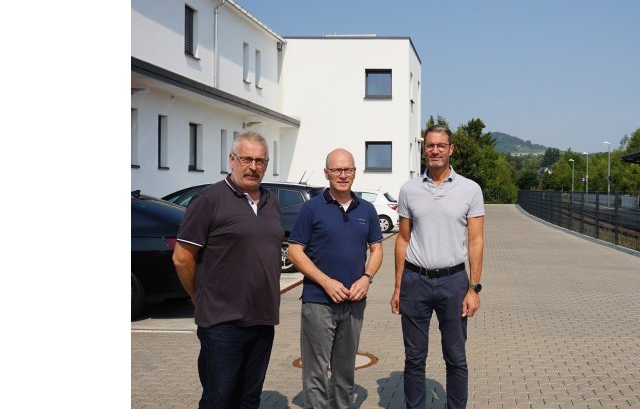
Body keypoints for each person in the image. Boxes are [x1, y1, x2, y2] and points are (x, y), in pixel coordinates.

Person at [172, 131, 284, 409]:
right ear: (232, 159)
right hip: (222, 322)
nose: (253, 166)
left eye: (260, 160)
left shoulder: (272, 201)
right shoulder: (209, 200)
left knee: (249, 399)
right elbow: (182, 258)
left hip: (263, 318)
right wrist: (199, 297)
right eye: (246, 159)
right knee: (219, 399)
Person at [390, 125, 485, 409]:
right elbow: (402, 239)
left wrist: (473, 289)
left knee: (456, 357)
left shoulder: (470, 189)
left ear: (451, 149)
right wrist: (397, 287)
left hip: (454, 282)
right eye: (430, 145)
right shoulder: (409, 190)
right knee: (414, 358)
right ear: (424, 149)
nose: (434, 150)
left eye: (441, 145)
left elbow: (477, 240)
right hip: (415, 281)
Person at [288, 148, 384, 409]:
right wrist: (326, 282)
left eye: (348, 170)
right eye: (337, 170)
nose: (343, 175)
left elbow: (377, 249)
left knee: (344, 370)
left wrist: (366, 278)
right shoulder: (311, 209)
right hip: (318, 302)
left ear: (355, 172)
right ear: (326, 173)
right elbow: (295, 251)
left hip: (354, 302)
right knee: (316, 371)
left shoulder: (367, 209)